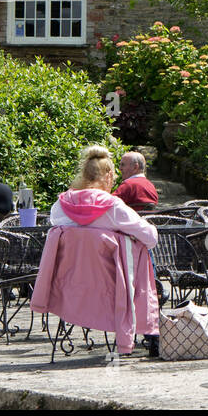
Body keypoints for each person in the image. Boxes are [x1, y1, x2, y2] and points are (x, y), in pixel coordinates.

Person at [46, 145, 160, 355]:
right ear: (108, 175)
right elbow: (151, 237)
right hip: (112, 289)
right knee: (140, 251)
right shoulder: (113, 207)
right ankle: (151, 335)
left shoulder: (60, 206)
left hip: (71, 287)